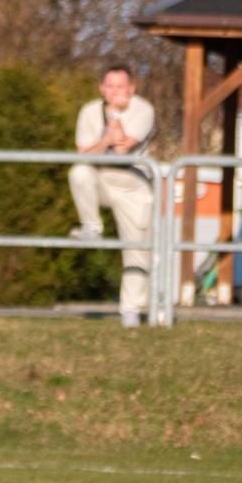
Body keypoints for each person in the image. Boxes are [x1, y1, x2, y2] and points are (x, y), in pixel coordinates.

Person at [68, 65, 156, 328]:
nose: (115, 91)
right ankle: (91, 226)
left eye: (120, 86)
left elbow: (123, 149)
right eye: (110, 86)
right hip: (103, 180)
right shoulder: (88, 111)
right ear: (101, 88)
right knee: (79, 172)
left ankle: (130, 311)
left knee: (137, 250)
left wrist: (114, 118)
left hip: (134, 186)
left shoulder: (143, 110)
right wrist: (105, 140)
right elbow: (84, 154)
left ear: (132, 88)